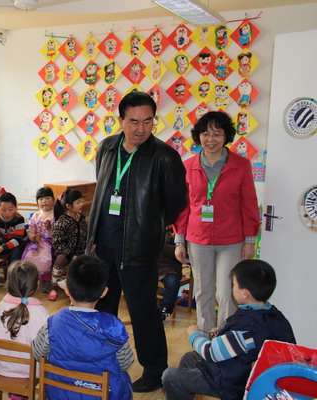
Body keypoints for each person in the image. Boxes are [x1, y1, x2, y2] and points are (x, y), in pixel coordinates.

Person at [86, 91, 187, 392]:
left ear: (154, 120)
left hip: (139, 247)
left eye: (147, 121)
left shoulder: (164, 156)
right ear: (121, 120)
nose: (141, 128)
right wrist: (94, 238)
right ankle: (104, 363)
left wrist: (151, 224)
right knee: (102, 309)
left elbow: (176, 202)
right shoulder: (107, 147)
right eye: (134, 121)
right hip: (104, 245)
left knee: (143, 312)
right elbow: (103, 188)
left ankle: (154, 372)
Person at [173, 111, 260, 334]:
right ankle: (204, 338)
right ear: (198, 136)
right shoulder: (187, 166)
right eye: (205, 134)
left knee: (227, 293)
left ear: (226, 136)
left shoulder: (241, 165)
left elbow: (249, 204)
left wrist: (250, 240)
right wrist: (179, 241)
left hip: (231, 240)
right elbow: (183, 207)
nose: (210, 139)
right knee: (203, 291)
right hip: (198, 239)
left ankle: (225, 339)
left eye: (217, 134)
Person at [162, 259, 296, 400]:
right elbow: (242, 341)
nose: (232, 288)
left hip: (232, 383)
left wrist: (194, 334)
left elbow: (210, 352)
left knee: (171, 376)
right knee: (189, 358)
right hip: (238, 371)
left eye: (234, 285)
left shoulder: (249, 328)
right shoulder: (269, 313)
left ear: (244, 293)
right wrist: (223, 332)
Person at [32, 255, 134, 400]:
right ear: (104, 292)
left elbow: (37, 353)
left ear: (67, 289)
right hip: (101, 394)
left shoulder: (53, 323)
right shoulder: (114, 327)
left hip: (59, 394)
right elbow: (125, 362)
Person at [0, 260, 50, 380]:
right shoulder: (41, 314)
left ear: (8, 283)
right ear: (37, 283)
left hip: (0, 367)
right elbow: (44, 348)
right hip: (31, 371)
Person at [49, 189, 87, 301]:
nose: (81, 204)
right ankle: (54, 287)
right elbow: (57, 244)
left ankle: (80, 288)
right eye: (78, 202)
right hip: (66, 254)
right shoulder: (61, 222)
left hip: (81, 252)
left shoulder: (82, 219)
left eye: (82, 201)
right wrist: (71, 255)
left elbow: (86, 235)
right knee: (60, 260)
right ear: (68, 206)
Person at [0, 193, 26, 288]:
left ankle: (12, 280)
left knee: (15, 254)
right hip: (2, 240)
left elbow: (18, 239)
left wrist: (3, 247)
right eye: (3, 210)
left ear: (16, 208)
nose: (7, 213)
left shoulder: (19, 219)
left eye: (11, 209)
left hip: (16, 242)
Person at [21, 187, 54, 292]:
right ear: (37, 202)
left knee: (44, 256)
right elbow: (30, 230)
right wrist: (34, 237)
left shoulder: (55, 214)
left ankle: (45, 280)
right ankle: (30, 280)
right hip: (36, 242)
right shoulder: (36, 215)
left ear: (53, 200)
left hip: (49, 242)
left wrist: (49, 229)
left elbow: (57, 233)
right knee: (29, 254)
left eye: (47, 198)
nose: (44, 201)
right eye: (41, 199)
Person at [158, 227, 183, 320]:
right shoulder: (155, 227)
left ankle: (164, 311)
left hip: (171, 269)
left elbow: (181, 252)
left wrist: (161, 247)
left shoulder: (179, 233)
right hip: (152, 267)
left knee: (173, 283)